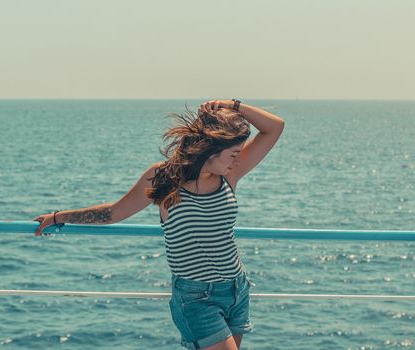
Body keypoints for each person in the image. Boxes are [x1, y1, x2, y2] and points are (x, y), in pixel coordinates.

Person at [33, 99, 285, 350]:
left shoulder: (229, 174)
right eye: (233, 153)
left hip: (236, 289)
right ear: (210, 149)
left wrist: (232, 104)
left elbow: (275, 127)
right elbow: (113, 213)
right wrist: (59, 217)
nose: (237, 159)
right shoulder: (165, 177)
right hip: (196, 298)